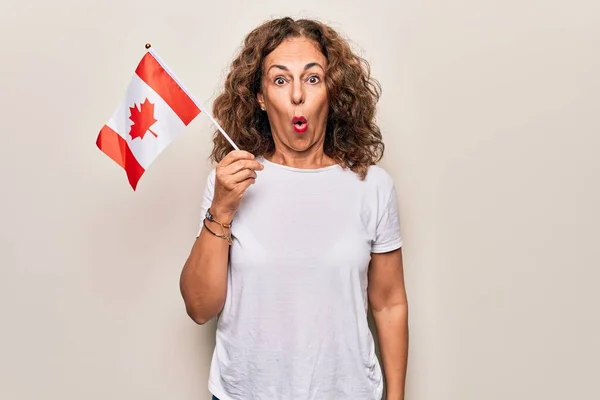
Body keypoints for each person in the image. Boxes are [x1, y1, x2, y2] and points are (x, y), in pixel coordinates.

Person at [179, 17, 409, 400]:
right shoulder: (231, 185)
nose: (297, 95)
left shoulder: (373, 187)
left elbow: (389, 303)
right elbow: (200, 307)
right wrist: (220, 210)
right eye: (280, 80)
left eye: (313, 78)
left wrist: (397, 397)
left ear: (332, 92)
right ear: (260, 96)